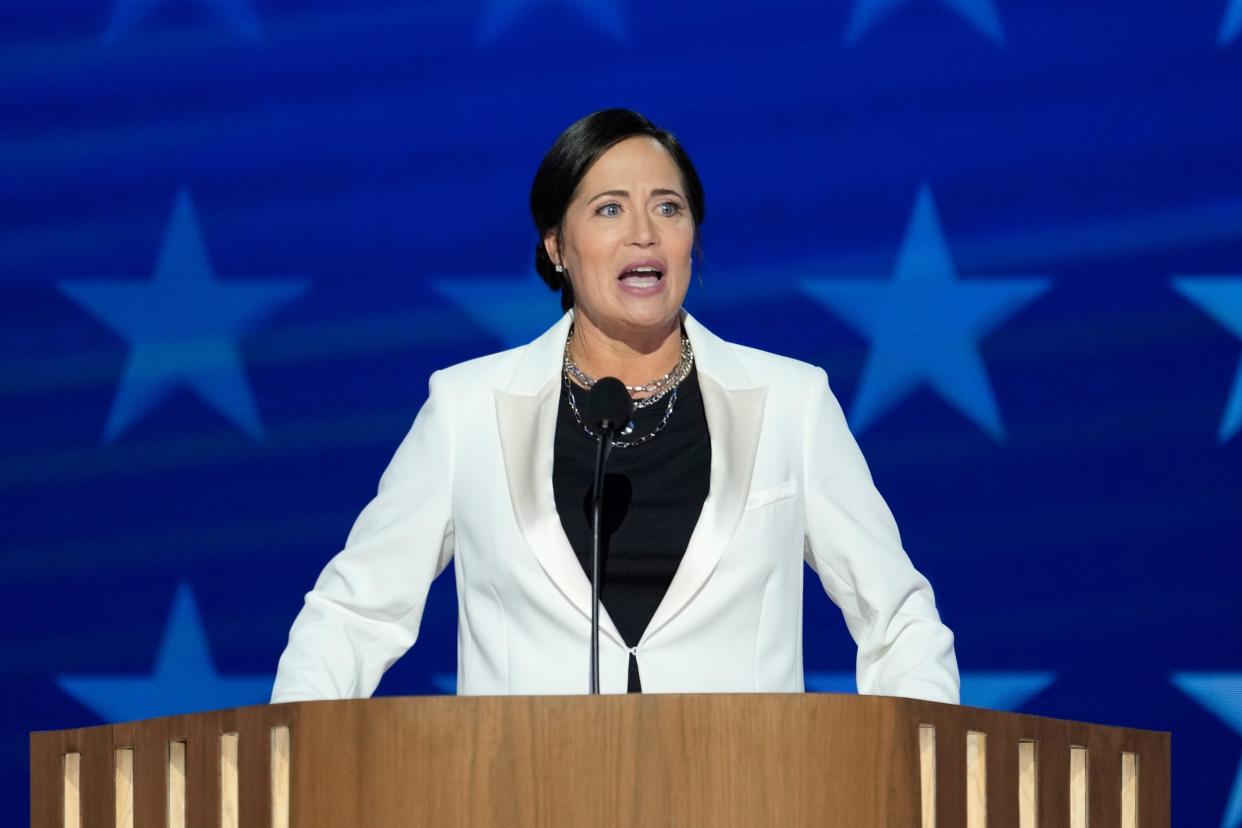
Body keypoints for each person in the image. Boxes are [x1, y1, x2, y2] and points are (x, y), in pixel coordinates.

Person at [271, 109, 959, 703]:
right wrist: (288, 767)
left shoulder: (790, 402)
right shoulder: (466, 409)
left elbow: (897, 616)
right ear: (556, 248)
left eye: (668, 207)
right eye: (609, 209)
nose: (644, 234)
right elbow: (353, 614)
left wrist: (923, 780)